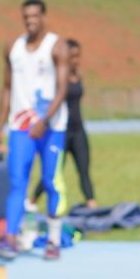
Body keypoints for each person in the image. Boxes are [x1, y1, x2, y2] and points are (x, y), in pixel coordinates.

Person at [0, 0, 70, 261]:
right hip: (20, 126)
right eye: (26, 17)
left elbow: (63, 88)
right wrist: (0, 126)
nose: (30, 21)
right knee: (17, 182)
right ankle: (10, 238)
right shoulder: (13, 47)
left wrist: (45, 120)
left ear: (44, 16)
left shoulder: (57, 46)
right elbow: (7, 87)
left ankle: (53, 238)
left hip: (51, 126)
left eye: (35, 16)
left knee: (49, 180)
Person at [30, 38, 95, 209]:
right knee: (53, 172)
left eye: (78, 57)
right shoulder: (58, 79)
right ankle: (32, 201)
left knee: (84, 169)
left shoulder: (77, 76)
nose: (75, 61)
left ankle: (92, 204)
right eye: (72, 57)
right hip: (61, 131)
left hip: (78, 130)